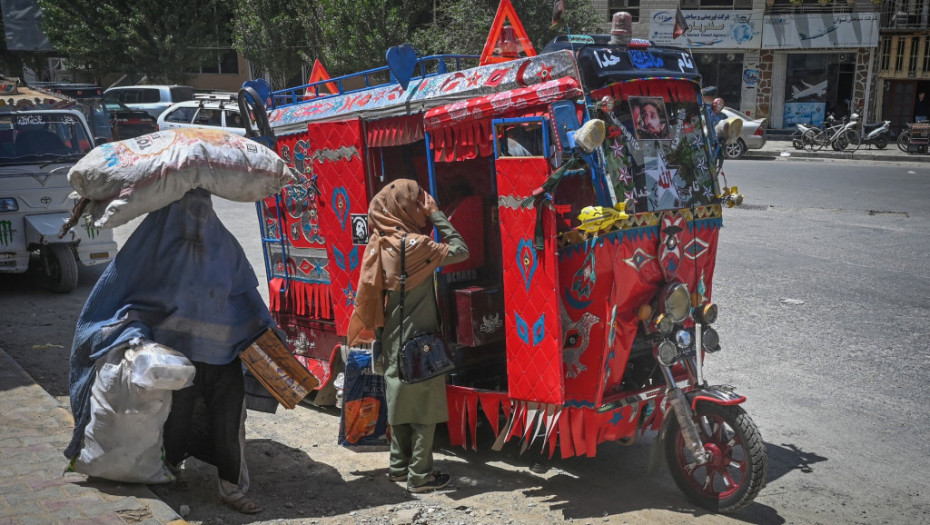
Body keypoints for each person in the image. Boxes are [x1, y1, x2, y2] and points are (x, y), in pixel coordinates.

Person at [66, 189, 277, 514]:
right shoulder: (153, 250)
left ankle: (232, 488)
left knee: (230, 422)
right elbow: (125, 296)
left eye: (203, 208)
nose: (197, 216)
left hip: (224, 355)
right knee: (175, 421)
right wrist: (134, 335)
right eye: (189, 210)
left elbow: (246, 296)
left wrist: (266, 332)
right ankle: (170, 468)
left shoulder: (224, 246)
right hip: (176, 358)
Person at [347, 179, 469, 493]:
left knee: (399, 405)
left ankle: (398, 468)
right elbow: (461, 250)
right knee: (425, 410)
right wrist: (438, 216)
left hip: (391, 337)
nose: (421, 205)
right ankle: (420, 476)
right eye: (417, 201)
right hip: (420, 341)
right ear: (403, 207)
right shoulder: (418, 246)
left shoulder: (378, 245)